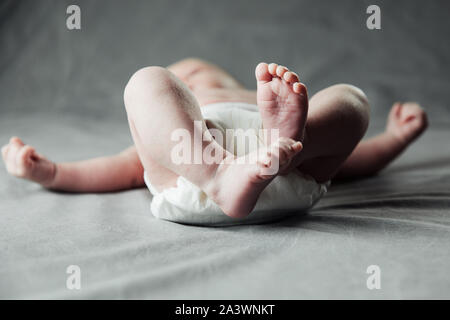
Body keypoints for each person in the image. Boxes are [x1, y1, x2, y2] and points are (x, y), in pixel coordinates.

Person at [1, 58, 428, 219]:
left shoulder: (238, 103)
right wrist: (50, 171)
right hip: (201, 163)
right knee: (148, 81)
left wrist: (394, 138)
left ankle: (280, 146)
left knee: (347, 100)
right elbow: (115, 168)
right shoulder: (177, 134)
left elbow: (352, 157)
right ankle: (225, 170)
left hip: (279, 154)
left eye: (194, 77)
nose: (196, 75)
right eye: (186, 78)